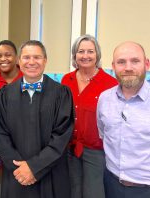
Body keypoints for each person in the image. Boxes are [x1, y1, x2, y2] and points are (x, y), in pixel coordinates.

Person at [0, 40, 75, 198]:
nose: (31, 62)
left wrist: (34, 167)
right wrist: (20, 169)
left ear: (45, 60)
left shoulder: (61, 94)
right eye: (26, 57)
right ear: (19, 61)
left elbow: (62, 136)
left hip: (51, 173)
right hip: (16, 174)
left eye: (37, 57)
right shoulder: (4, 94)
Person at [61, 34, 118, 198]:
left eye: (90, 51)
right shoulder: (67, 79)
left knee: (94, 194)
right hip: (69, 149)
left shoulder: (110, 84)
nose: (85, 56)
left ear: (97, 55)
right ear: (75, 55)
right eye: (81, 51)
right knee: (72, 192)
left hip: (96, 151)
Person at [97, 41, 150, 198]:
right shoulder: (104, 99)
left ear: (147, 64)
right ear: (113, 66)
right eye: (121, 62)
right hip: (112, 184)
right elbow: (104, 134)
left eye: (135, 61)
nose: (128, 67)